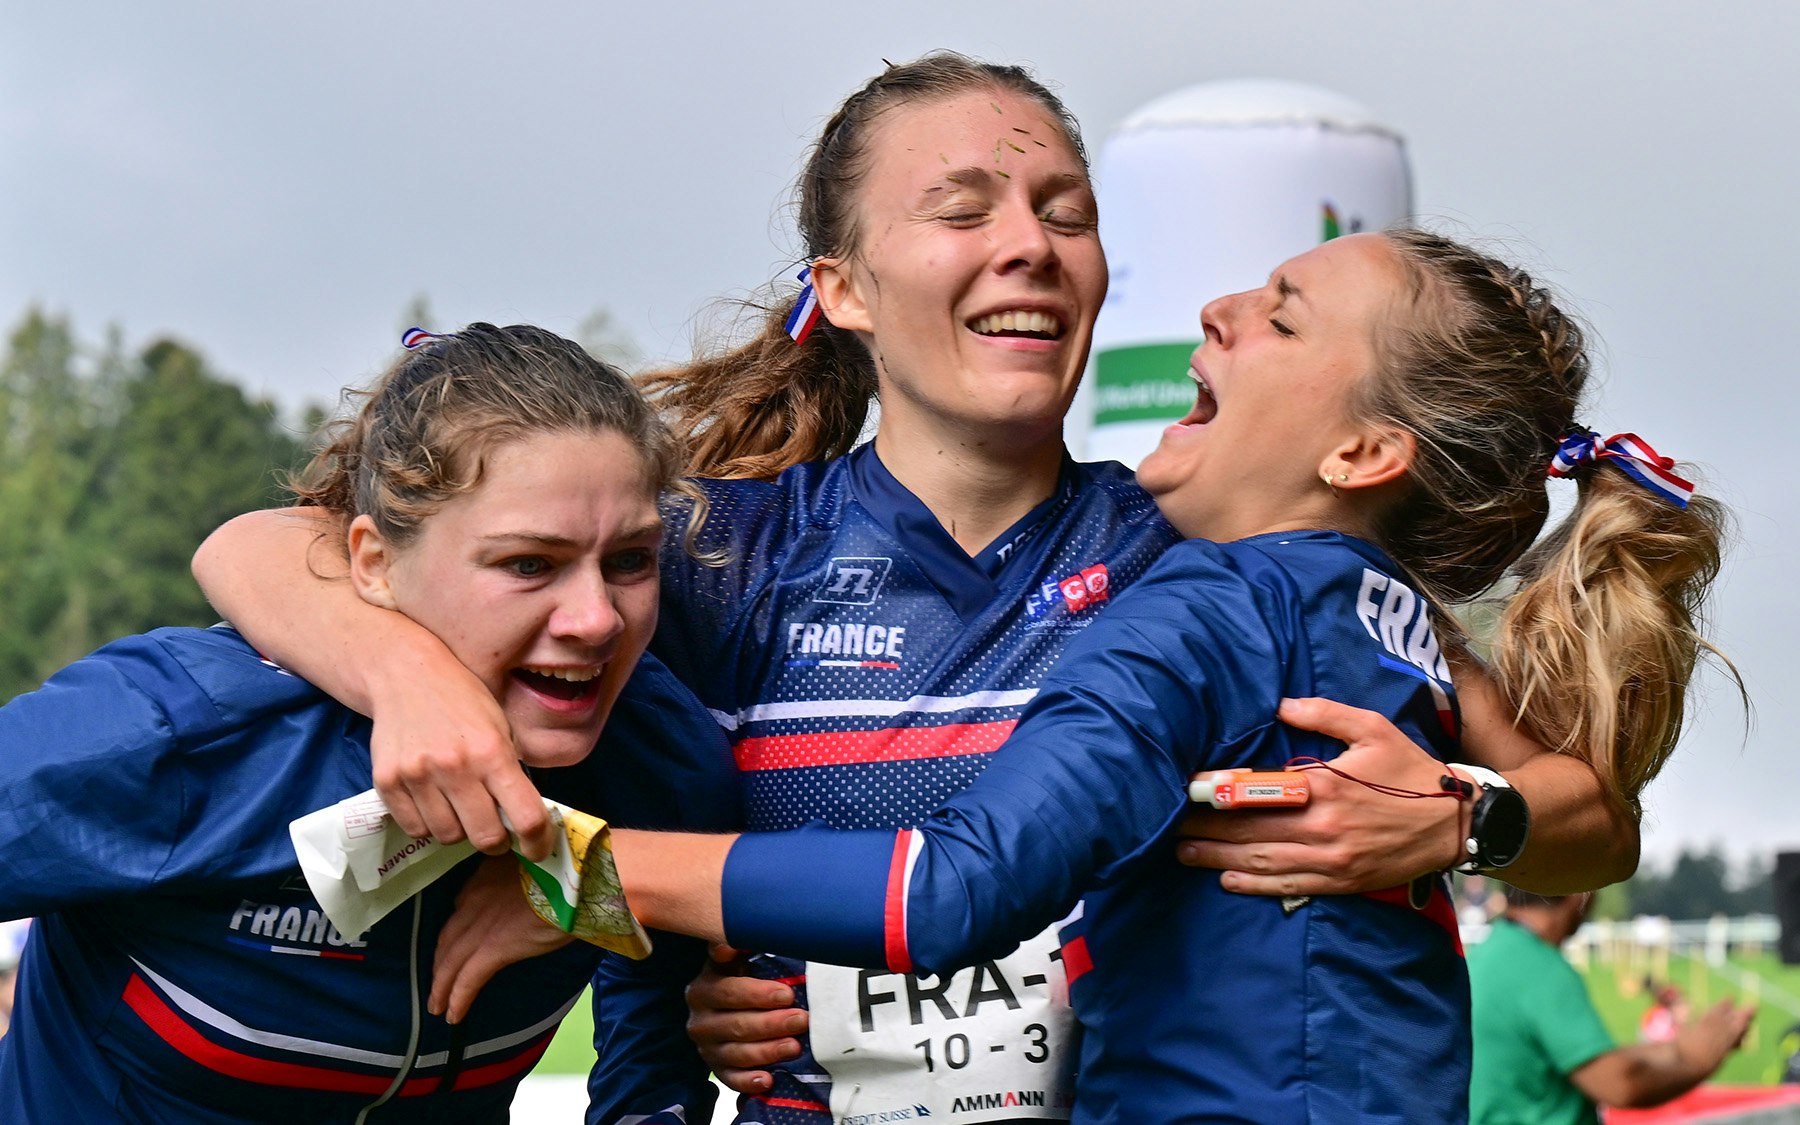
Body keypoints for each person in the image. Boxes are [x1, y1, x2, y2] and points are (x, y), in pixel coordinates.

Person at [194, 55, 1639, 1124]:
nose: (1028, 243)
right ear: (844, 289)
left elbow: (1595, 816)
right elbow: (263, 548)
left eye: (1065, 211)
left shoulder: (1211, 559)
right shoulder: (706, 555)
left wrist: (1465, 818)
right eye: (963, 208)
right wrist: (413, 678)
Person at [436, 228, 1734, 1122]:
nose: (1219, 309)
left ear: (1361, 454)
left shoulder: (1211, 605)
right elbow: (1585, 807)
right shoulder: (1379, 619)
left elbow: (948, 889)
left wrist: (572, 872)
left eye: (1280, 314)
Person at [0, 324, 735, 1123]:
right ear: (375, 562)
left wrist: (579, 879)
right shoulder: (182, 730)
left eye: (629, 560)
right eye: (528, 563)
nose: (596, 619)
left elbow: (655, 1052)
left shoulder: (660, 759)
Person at [1469, 888, 1753, 1124]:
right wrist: (1699, 1059)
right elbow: (1619, 1084)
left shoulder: (1488, 953)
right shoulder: (1540, 967)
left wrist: (1680, 1047)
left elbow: (1586, 1060)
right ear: (1580, 891)